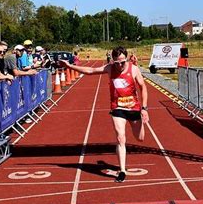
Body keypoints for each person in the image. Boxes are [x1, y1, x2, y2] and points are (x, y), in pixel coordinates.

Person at [60, 46, 148, 183]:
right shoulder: (109, 68)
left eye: (122, 62)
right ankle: (122, 170)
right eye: (117, 62)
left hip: (134, 108)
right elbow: (90, 70)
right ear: (113, 60)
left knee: (140, 138)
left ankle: (140, 126)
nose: (120, 65)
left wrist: (144, 108)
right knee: (120, 138)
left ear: (126, 59)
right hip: (117, 108)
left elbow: (143, 87)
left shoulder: (134, 69)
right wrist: (70, 66)